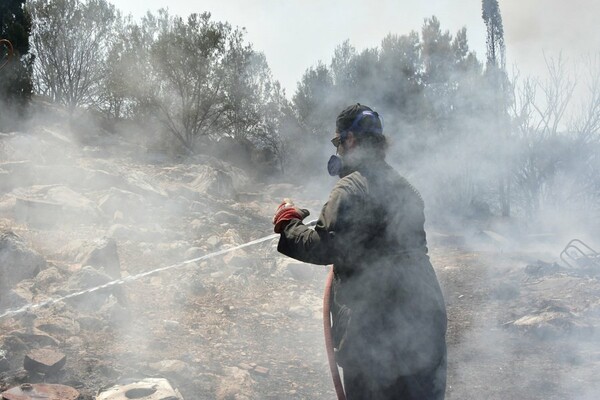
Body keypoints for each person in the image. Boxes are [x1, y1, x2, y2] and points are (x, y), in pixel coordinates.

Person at [272, 104, 447, 400]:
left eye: (338, 143)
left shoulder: (351, 188)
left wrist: (288, 224)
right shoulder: (407, 190)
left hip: (376, 336)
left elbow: (325, 247)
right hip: (425, 326)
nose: (338, 151)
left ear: (350, 140)